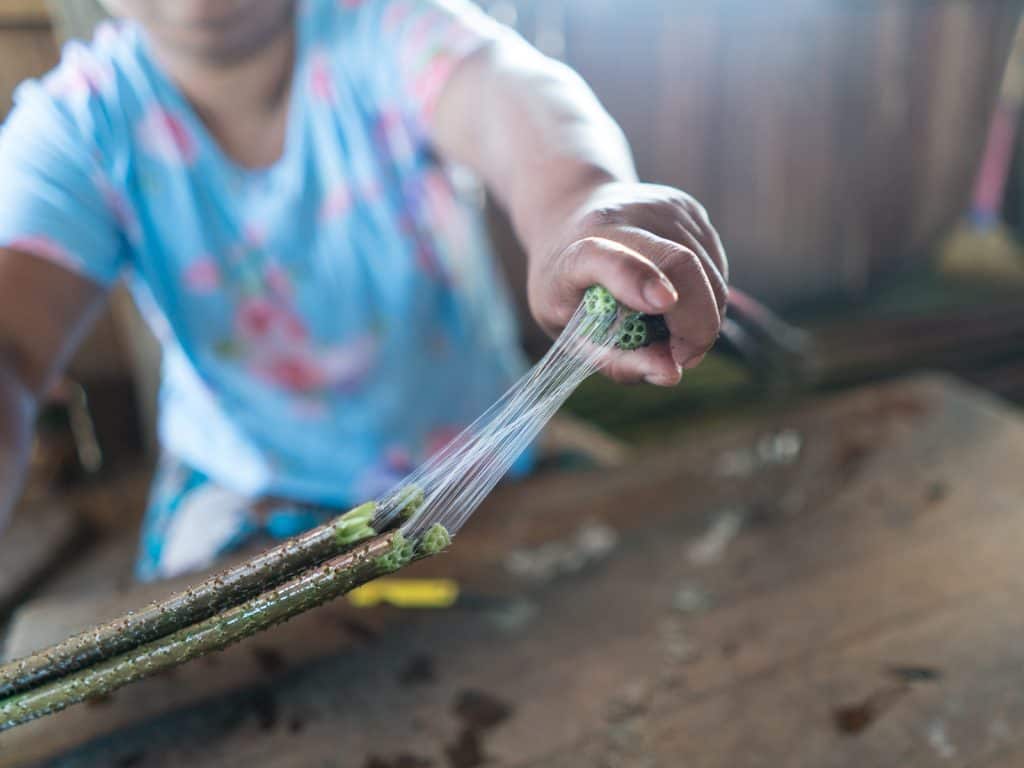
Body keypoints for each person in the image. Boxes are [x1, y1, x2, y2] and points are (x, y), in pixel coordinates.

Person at [0, 0, 727, 580]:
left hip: (483, 454)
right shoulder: (75, 128)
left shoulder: (384, 28)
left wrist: (580, 203)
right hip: (247, 493)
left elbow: (510, 92)